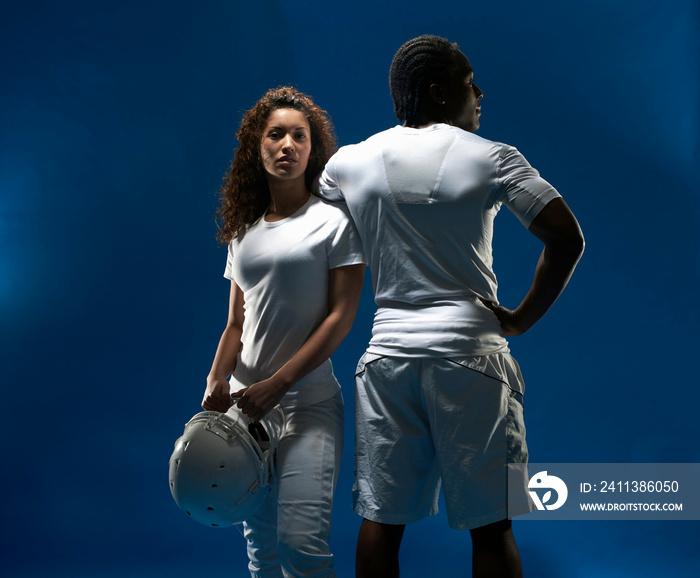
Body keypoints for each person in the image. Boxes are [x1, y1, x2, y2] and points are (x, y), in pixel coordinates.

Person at [316, 35, 584, 577]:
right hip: (471, 358)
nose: (479, 93)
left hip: (388, 358)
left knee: (380, 523)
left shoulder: (346, 164)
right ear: (439, 94)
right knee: (491, 525)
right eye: (468, 83)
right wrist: (521, 319)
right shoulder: (494, 157)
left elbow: (312, 234)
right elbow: (566, 237)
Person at [202, 86, 366, 577]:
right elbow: (236, 322)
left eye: (300, 136)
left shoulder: (335, 222)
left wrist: (279, 384)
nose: (287, 146)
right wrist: (216, 379)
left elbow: (341, 316)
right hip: (246, 411)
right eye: (276, 135)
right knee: (264, 553)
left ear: (314, 149)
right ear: (258, 146)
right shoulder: (243, 233)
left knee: (301, 546)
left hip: (308, 405)